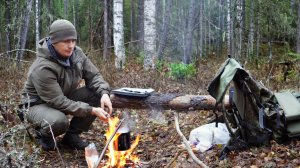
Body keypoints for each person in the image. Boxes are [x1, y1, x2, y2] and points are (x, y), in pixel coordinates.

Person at [21, 19, 112, 151]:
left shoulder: (76, 53)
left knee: (96, 94)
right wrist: (91, 110)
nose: (71, 45)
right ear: (54, 41)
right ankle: (44, 135)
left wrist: (104, 93)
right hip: (36, 105)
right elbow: (57, 101)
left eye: (73, 40)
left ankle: (71, 137)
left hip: (62, 96)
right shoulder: (42, 67)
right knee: (59, 121)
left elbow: (94, 76)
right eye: (66, 41)